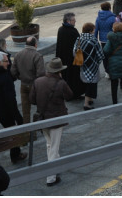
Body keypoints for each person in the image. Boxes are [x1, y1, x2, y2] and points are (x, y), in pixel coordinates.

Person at [30, 58, 73, 186]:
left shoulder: (37, 81)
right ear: (59, 71)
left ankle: (56, 166)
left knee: (50, 144)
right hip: (56, 119)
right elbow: (70, 95)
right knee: (54, 147)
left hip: (43, 119)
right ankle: (51, 177)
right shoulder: (61, 83)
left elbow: (32, 99)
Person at [0, 51, 27, 164]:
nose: (9, 63)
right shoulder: (5, 77)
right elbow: (10, 100)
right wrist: (18, 117)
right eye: (6, 61)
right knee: (13, 133)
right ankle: (15, 155)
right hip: (5, 112)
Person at [10, 36, 45, 124]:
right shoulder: (37, 55)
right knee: (39, 108)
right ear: (35, 45)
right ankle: (36, 129)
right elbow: (41, 74)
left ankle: (27, 132)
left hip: (23, 85)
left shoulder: (18, 54)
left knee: (25, 111)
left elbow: (13, 71)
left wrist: (20, 77)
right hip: (34, 86)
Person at [102, 22, 122, 104]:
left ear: (114, 29)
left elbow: (106, 50)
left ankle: (115, 102)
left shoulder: (111, 38)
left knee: (114, 83)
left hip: (114, 62)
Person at [55, 13, 84, 100]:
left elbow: (59, 46)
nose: (75, 21)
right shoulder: (73, 31)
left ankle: (67, 95)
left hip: (63, 59)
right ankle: (75, 94)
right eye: (73, 20)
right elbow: (79, 45)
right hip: (73, 59)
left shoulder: (60, 30)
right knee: (75, 78)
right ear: (68, 21)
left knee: (66, 77)